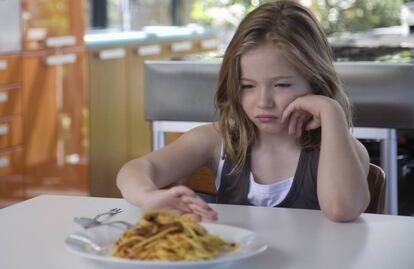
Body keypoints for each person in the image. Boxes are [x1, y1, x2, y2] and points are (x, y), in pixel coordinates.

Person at [117, 0, 370, 222]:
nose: (263, 102)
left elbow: (342, 210)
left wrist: (331, 111)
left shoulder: (342, 150)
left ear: (315, 82)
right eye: (247, 86)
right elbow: (135, 170)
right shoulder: (217, 140)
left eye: (281, 85)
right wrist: (148, 195)